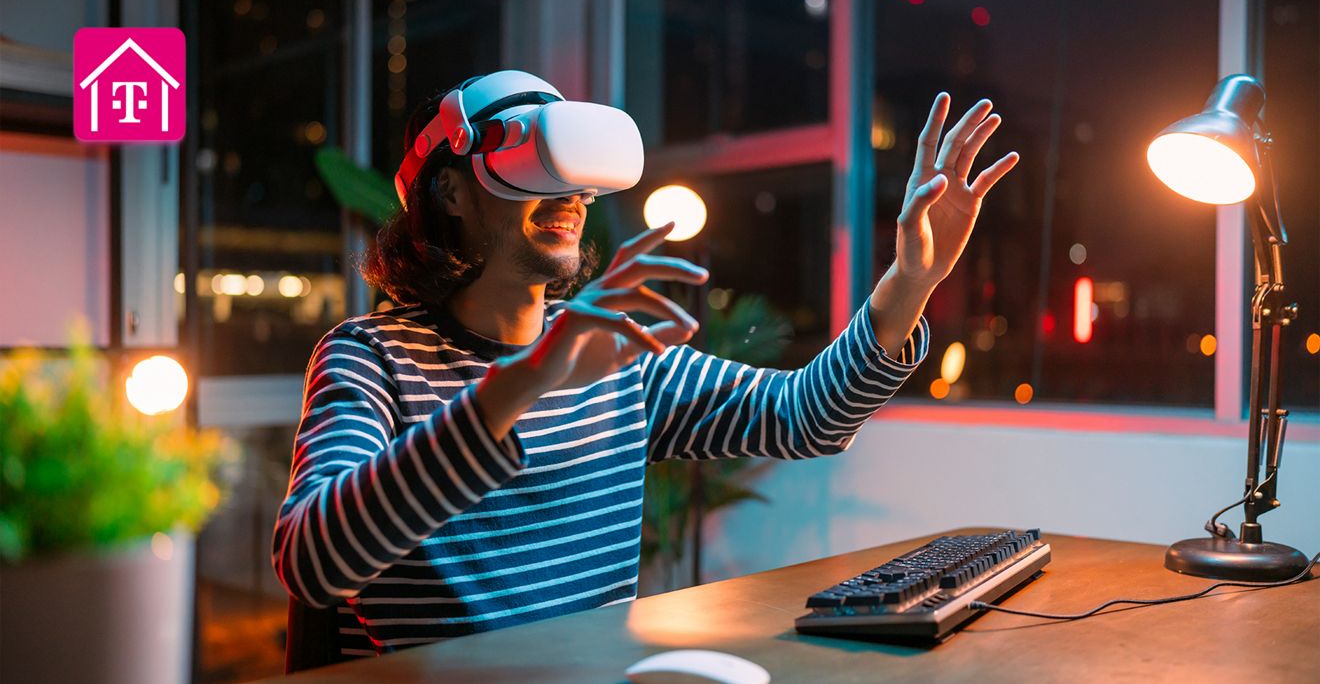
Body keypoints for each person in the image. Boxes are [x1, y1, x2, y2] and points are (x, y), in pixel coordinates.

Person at [271, 71, 1019, 658]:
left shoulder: (617, 358)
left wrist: (910, 281)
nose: (570, 195)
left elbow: (807, 417)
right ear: (451, 191)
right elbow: (311, 562)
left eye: (577, 174)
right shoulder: (370, 357)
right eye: (535, 167)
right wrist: (532, 376)